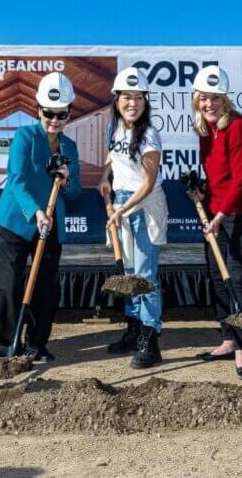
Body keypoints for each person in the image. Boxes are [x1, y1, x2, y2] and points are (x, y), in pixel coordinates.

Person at [0, 72, 82, 370]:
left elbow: (76, 191)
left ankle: (36, 343)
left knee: (45, 287)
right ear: (38, 110)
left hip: (50, 225)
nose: (54, 120)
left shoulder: (70, 148)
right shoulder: (24, 137)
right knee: (10, 282)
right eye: (49, 113)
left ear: (69, 114)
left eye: (61, 115)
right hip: (16, 221)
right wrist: (36, 212)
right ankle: (1, 349)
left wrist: (66, 180)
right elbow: (16, 179)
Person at [189, 65, 242, 380]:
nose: (209, 104)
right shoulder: (206, 131)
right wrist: (201, 192)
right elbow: (217, 178)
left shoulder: (238, 128)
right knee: (216, 275)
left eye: (215, 98)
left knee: (236, 276)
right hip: (218, 211)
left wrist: (220, 215)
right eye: (203, 99)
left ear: (225, 100)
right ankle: (226, 339)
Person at [98, 67, 168, 369]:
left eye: (139, 97)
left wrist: (122, 210)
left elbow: (148, 183)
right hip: (122, 204)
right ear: (117, 100)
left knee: (144, 276)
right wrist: (105, 176)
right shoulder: (114, 128)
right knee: (128, 273)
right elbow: (113, 158)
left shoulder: (149, 134)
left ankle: (151, 341)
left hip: (142, 205)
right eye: (127, 97)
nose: (133, 103)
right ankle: (133, 330)